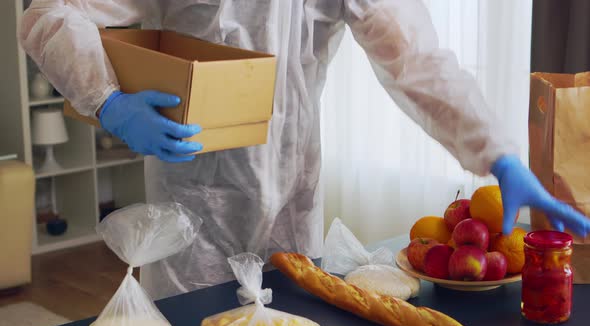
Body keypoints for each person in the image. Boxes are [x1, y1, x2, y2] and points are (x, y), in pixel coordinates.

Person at [20, 0, 589, 300]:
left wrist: (500, 154)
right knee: (193, 322)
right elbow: (50, 12)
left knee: (293, 318)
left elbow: (417, 62)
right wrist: (110, 101)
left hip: (294, 198)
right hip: (191, 204)